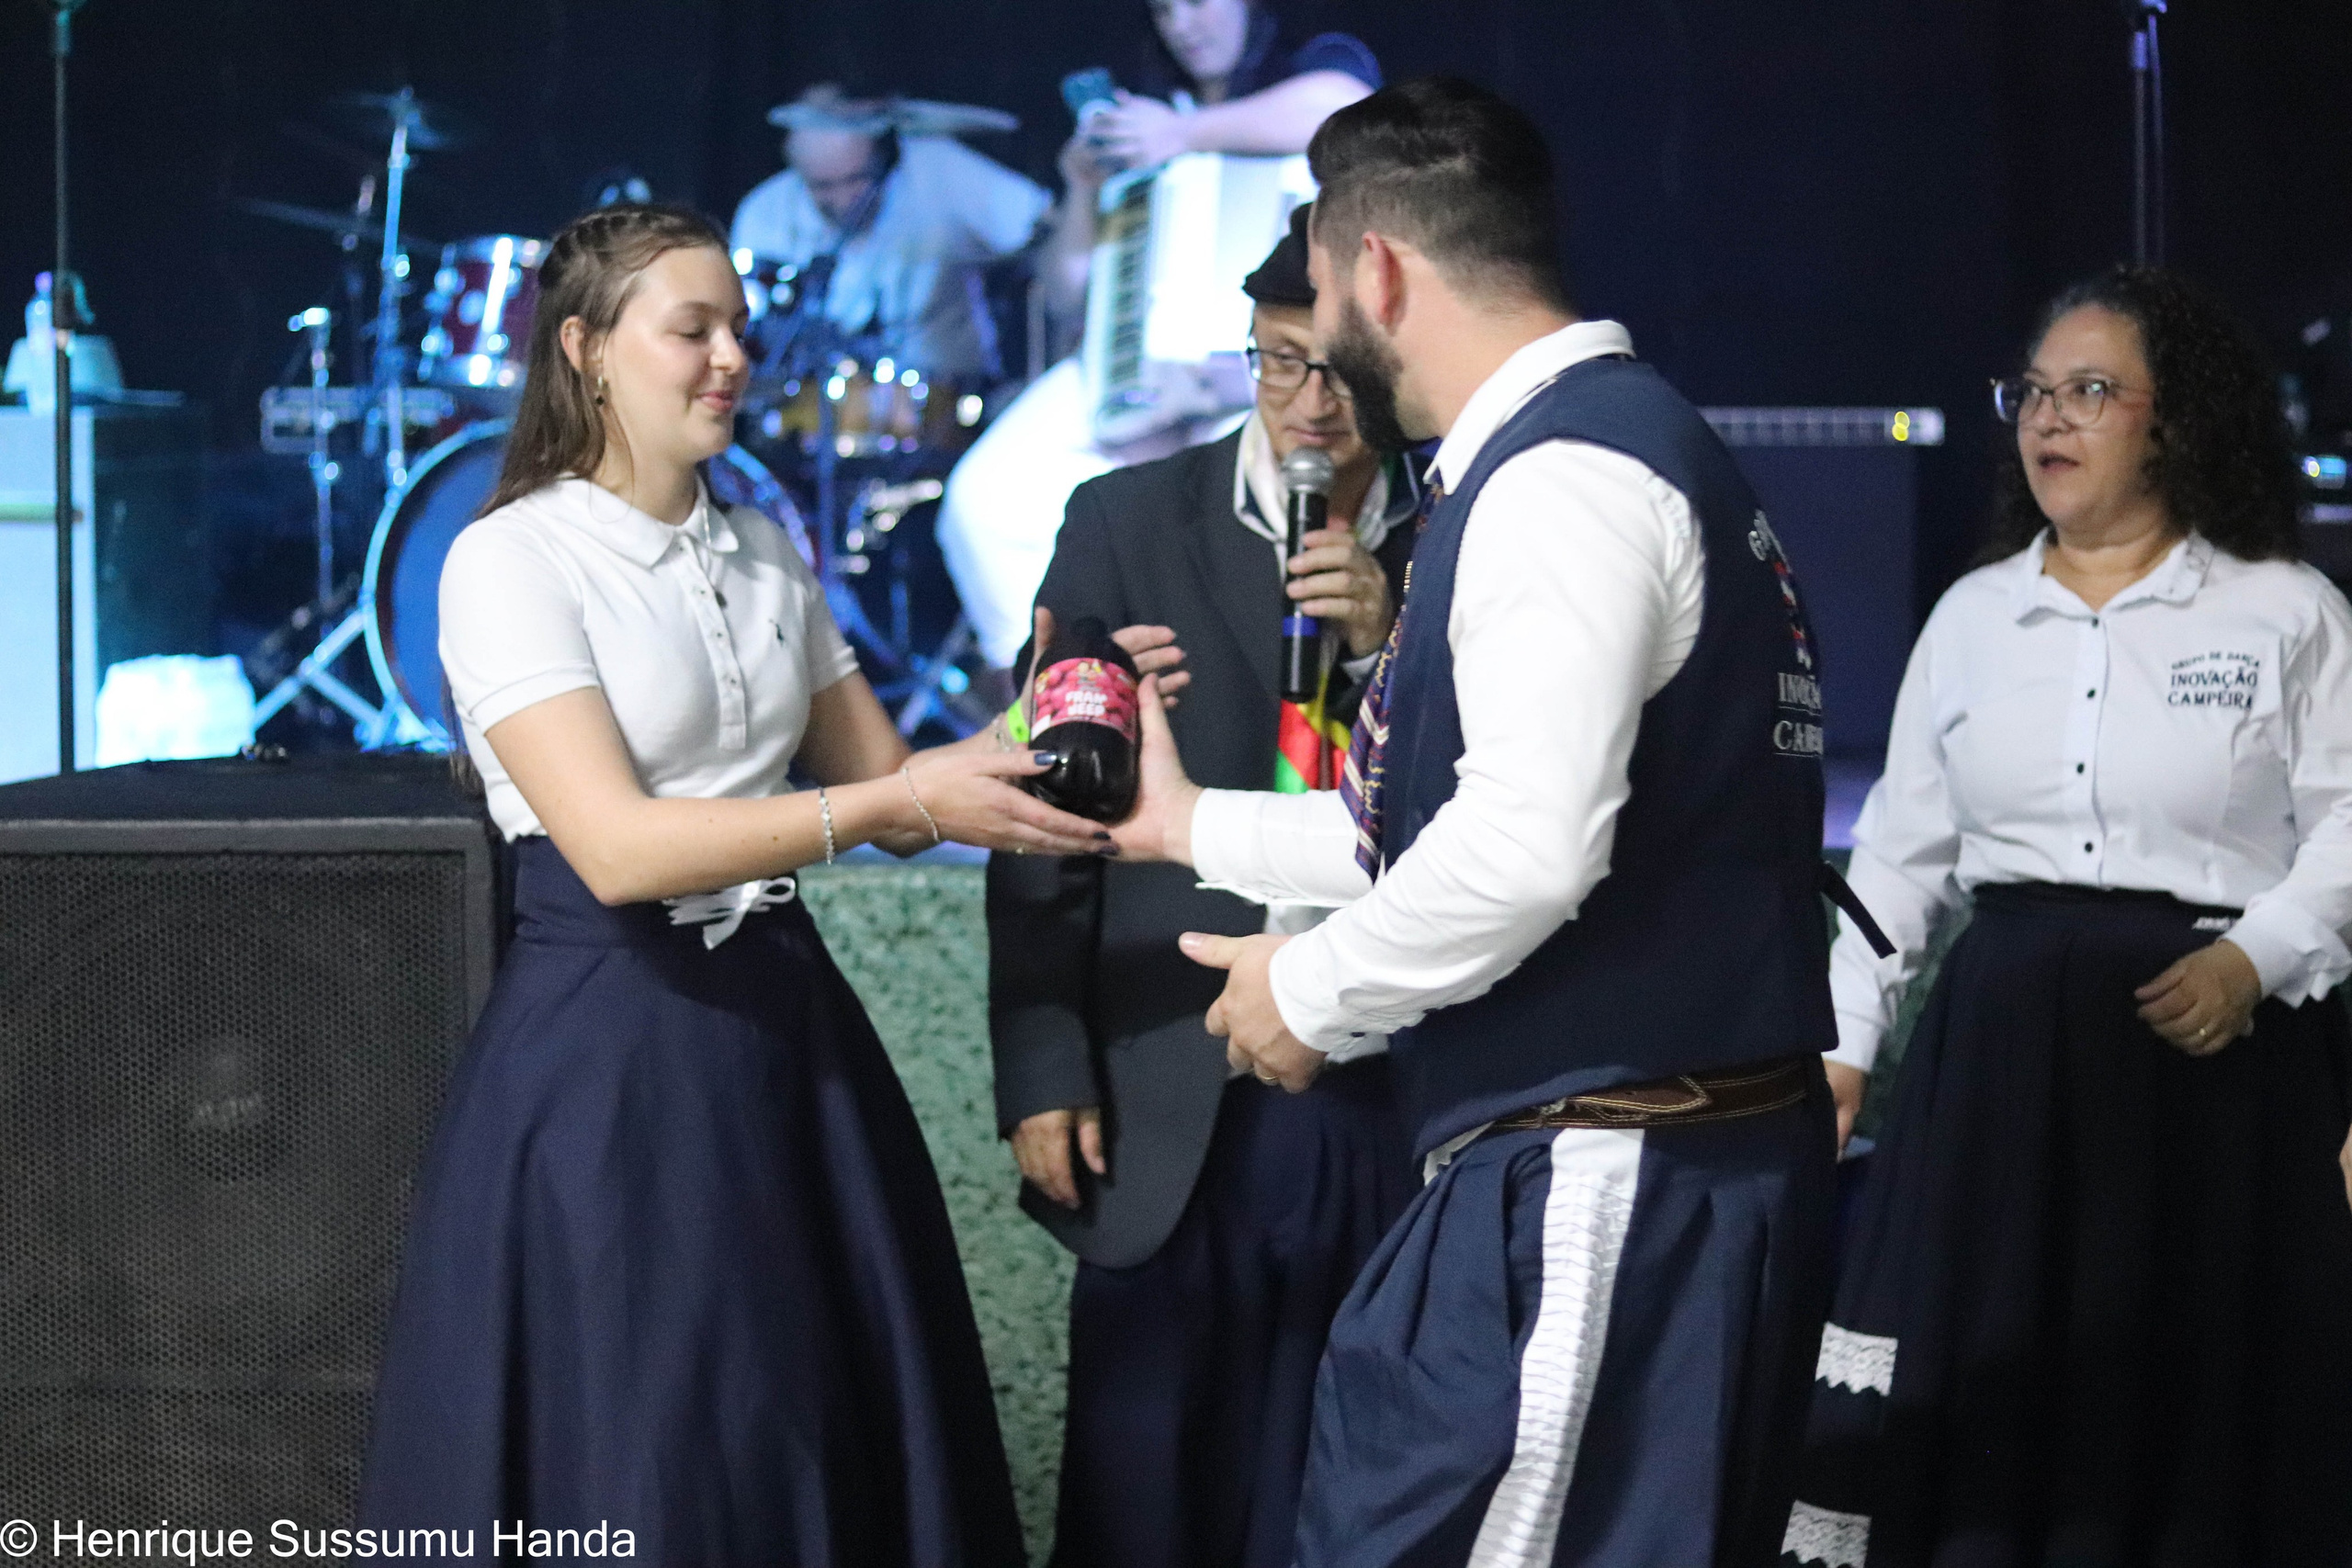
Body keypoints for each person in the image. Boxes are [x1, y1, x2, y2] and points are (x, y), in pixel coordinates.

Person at [1109, 80, 1842, 1566]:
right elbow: (1451, 820)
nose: (1317, 336)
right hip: (1618, 1164)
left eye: (1318, 283)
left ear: (1377, 270)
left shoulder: (1563, 480)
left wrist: (1303, 989)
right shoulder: (1598, 450)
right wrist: (1188, 824)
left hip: (1606, 1166)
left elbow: (1525, 848)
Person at [355, 202, 1130, 1565]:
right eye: (691, 330)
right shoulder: (510, 558)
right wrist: (895, 800)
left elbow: (890, 780)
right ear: (586, 350)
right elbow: (621, 846)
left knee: (802, 1424)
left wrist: (1060, 714)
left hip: (783, 1034)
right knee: (649, 1438)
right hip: (606, 1052)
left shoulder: (763, 546)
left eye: (738, 332)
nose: (731, 359)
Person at [1780, 267, 2352, 1568]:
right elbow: (1901, 856)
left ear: (2177, 421)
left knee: (2187, 1408)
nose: (2052, 417)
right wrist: (1845, 1043)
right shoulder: (1979, 614)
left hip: (2213, 1057)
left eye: (2092, 390)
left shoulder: (2282, 611)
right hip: (2008, 1059)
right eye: (2033, 392)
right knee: (1990, 1390)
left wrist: (2254, 960)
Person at [989, 207, 1420, 1568]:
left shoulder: (1467, 532)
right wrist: (1042, 1056)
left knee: (1341, 1483)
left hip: (1381, 1076)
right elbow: (1038, 803)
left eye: (1337, 373)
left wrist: (1395, 639)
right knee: (1143, 1490)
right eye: (1275, 362)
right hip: (1165, 1060)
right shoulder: (1126, 518)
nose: (1306, 404)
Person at [936, 0, 1381, 674]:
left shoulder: (1305, 69)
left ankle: (1229, 702)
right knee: (986, 498)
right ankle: (1055, 686)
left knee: (1241, 514)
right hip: (1130, 367)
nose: (1184, 23)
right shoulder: (1139, 110)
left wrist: (1186, 132)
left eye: (1201, 1)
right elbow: (1065, 288)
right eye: (1166, 9)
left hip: (1258, 374)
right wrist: (1080, 186)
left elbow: (1348, 106)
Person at [729, 85, 1050, 384]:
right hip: (804, 410)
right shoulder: (764, 213)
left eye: (857, 180)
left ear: (885, 158)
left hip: (949, 405)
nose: (844, 200)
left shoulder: (937, 169)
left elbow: (1044, 227)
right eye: (822, 186)